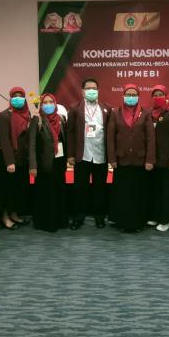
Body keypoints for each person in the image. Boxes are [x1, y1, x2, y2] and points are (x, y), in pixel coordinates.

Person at [107, 84, 155, 232]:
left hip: (140, 161)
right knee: (123, 194)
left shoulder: (145, 113)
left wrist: (150, 159)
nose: (131, 97)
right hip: (121, 160)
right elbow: (110, 138)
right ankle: (122, 222)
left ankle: (138, 223)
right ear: (123, 96)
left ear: (138, 97)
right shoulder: (115, 113)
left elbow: (150, 138)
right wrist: (112, 159)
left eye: (134, 95)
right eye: (128, 94)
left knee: (138, 194)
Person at [67, 78, 111, 230]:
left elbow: (110, 133)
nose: (91, 90)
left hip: (100, 155)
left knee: (100, 188)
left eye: (94, 88)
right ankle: (78, 218)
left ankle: (99, 217)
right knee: (80, 188)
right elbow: (70, 132)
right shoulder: (74, 108)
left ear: (98, 90)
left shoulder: (106, 108)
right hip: (82, 155)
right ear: (83, 91)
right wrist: (70, 155)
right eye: (88, 88)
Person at [29, 93, 68, 232]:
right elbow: (32, 144)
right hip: (44, 164)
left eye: (51, 101)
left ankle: (60, 221)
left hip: (59, 163)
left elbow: (65, 140)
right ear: (41, 105)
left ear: (55, 103)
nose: (48, 104)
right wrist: (33, 166)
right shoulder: (37, 120)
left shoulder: (61, 119)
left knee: (59, 191)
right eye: (45, 102)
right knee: (46, 193)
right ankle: (46, 223)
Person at [147, 84, 169, 232]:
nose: (157, 97)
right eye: (155, 95)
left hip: (167, 159)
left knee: (167, 191)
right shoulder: (149, 113)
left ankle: (166, 219)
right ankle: (156, 216)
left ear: (166, 95)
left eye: (160, 94)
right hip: (152, 159)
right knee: (154, 189)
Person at [0, 87, 32, 229]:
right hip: (10, 161)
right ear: (10, 98)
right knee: (8, 190)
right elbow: (4, 140)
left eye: (20, 96)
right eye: (15, 96)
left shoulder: (27, 114)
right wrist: (9, 162)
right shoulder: (4, 116)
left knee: (19, 190)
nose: (18, 98)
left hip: (23, 159)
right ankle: (5, 217)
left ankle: (14, 213)